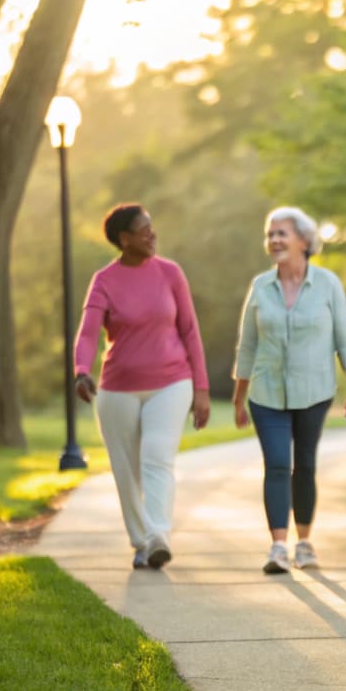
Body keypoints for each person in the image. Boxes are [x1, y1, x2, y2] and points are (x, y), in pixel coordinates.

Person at [74, 203, 212, 570]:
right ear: (124, 239)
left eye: (152, 227)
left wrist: (200, 388)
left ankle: (159, 536)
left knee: (156, 456)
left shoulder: (170, 273)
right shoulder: (104, 280)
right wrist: (80, 369)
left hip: (171, 381)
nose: (152, 234)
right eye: (143, 229)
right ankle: (142, 541)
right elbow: (88, 332)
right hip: (118, 387)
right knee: (126, 469)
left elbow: (190, 331)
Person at [232, 206, 346, 574]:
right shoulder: (260, 286)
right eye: (270, 234)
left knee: (304, 465)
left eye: (281, 233)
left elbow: (345, 341)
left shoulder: (328, 284)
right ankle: (277, 547)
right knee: (276, 464)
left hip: (314, 391)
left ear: (304, 239)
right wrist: (239, 398)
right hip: (266, 394)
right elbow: (247, 346)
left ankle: (304, 543)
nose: (273, 240)